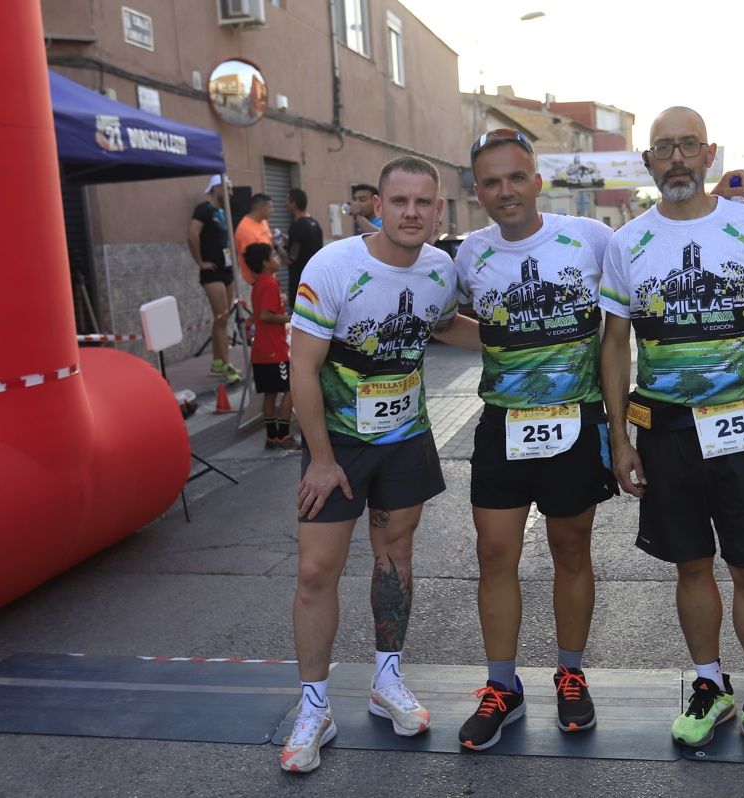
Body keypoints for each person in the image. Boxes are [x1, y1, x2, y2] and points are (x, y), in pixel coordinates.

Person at [600, 106, 744, 777]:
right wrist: (619, 439)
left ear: (711, 153)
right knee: (690, 564)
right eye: (664, 148)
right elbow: (614, 345)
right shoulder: (627, 243)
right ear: (648, 163)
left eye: (688, 145)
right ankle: (708, 686)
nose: (677, 160)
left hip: (741, 423)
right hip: (663, 429)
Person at [281, 156, 480, 773]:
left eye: (424, 203)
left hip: (405, 438)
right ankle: (314, 705)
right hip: (337, 444)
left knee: (395, 559)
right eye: (400, 202)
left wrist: (526, 336)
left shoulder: (440, 269)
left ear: (439, 210)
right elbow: (303, 367)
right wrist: (318, 460)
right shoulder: (334, 266)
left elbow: (444, 326)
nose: (412, 213)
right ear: (378, 205)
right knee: (317, 571)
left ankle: (386, 680)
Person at [451, 128, 619, 750]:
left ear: (537, 180)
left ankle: (571, 675)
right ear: (478, 192)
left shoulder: (590, 239)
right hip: (501, 426)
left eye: (515, 177)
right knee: (494, 555)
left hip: (576, 421)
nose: (505, 191)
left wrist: (622, 422)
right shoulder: (468, 254)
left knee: (571, 552)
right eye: (491, 182)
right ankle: (503, 688)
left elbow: (620, 328)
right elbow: (451, 319)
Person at [187, 175, 241, 383]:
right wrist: (200, 262)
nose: (231, 193)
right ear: (216, 188)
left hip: (226, 270)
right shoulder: (203, 210)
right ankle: (226, 365)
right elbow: (192, 235)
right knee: (221, 318)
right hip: (212, 272)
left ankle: (218, 362)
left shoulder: (223, 212)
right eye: (228, 188)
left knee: (223, 318)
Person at [245, 242, 298, 450]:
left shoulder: (259, 284)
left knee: (270, 393)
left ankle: (272, 436)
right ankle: (284, 435)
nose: (278, 260)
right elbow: (266, 315)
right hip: (274, 350)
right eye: (274, 257)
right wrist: (291, 318)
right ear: (266, 263)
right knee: (291, 388)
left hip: (262, 350)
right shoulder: (269, 284)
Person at [286, 188, 324, 308]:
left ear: (293, 203)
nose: (285, 205)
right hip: (316, 283)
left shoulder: (297, 226)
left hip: (300, 284)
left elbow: (290, 259)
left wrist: (275, 245)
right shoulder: (315, 224)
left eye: (287, 201)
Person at [235, 193, 282, 287]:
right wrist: (263, 284)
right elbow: (252, 263)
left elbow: (269, 241)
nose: (272, 211)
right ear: (260, 208)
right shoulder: (245, 229)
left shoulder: (263, 221)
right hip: (257, 282)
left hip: (269, 278)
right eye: (270, 207)